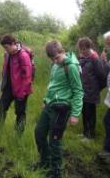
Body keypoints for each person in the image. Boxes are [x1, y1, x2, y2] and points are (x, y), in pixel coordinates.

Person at [34, 40, 83, 178]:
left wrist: (75, 114)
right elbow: (53, 83)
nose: (55, 61)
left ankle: (56, 172)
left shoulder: (72, 67)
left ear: (63, 51)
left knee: (55, 140)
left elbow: (78, 91)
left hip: (62, 108)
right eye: (52, 59)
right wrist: (45, 99)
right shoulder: (55, 65)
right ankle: (44, 162)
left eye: (57, 58)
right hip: (50, 105)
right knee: (39, 133)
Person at [0, 34, 33, 132]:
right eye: (4, 48)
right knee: (1, 108)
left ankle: (18, 136)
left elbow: (27, 77)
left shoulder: (23, 55)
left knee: (20, 113)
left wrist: (22, 93)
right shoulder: (8, 54)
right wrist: (3, 86)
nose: (6, 49)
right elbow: (6, 71)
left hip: (21, 89)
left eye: (6, 47)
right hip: (9, 88)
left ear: (13, 44)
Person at [77, 37, 106, 140]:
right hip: (83, 91)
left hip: (92, 92)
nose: (82, 51)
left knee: (90, 114)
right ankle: (85, 133)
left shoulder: (95, 59)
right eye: (80, 49)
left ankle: (90, 136)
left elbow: (102, 76)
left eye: (83, 49)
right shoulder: (82, 58)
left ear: (89, 47)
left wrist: (97, 89)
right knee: (84, 112)